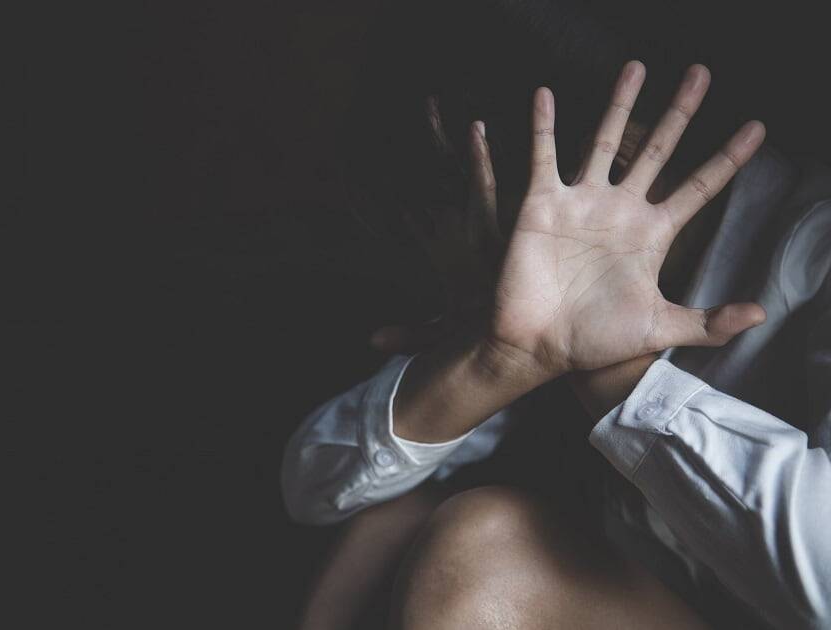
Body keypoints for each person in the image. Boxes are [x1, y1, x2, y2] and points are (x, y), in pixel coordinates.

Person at [280, 46, 831, 630]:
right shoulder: (525, 273)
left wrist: (621, 380)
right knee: (388, 526)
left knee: (482, 552)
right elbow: (315, 487)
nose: (470, 251)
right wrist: (492, 362)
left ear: (617, 154)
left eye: (480, 212)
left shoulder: (813, 253)